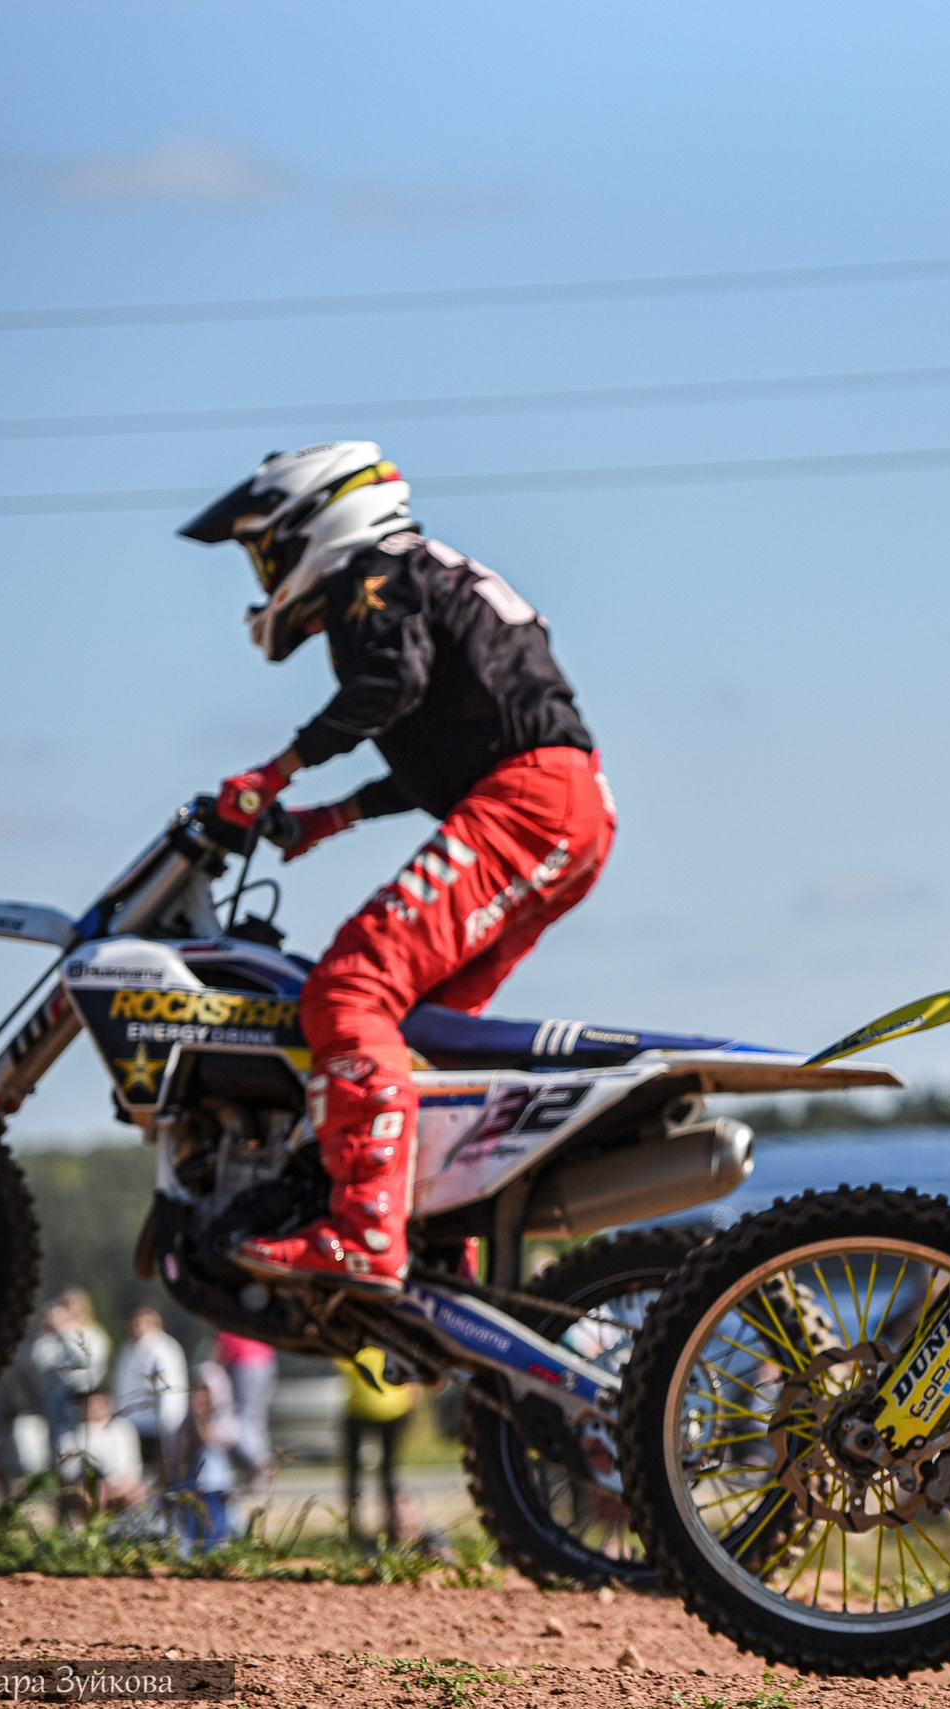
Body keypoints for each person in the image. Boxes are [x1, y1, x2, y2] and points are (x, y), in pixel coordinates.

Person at [182, 442, 612, 1295]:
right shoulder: (422, 575)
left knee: (347, 992)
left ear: (312, 521)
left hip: (526, 803)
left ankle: (365, 1235)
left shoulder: (378, 573)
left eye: (264, 549)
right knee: (421, 1033)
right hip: (564, 802)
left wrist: (278, 769)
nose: (265, 576)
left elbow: (393, 685)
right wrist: (331, 818)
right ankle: (445, 1247)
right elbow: (447, 743)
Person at [338, 1349, 415, 1544]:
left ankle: (359, 1527)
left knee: (358, 1472)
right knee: (386, 1473)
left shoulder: (355, 1342)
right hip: (390, 1410)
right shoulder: (396, 1344)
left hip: (365, 1409)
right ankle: (390, 1529)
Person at [166, 1365, 242, 1549]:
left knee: (211, 1456)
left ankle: (220, 1532)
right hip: (189, 1485)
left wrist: (200, 1422)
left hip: (216, 1486)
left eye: (204, 1394)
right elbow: (175, 1465)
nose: (198, 1399)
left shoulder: (224, 1421)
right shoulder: (182, 1427)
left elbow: (217, 1443)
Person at [111, 1306, 187, 1483]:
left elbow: (168, 1385)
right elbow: (122, 1384)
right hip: (134, 1419)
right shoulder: (128, 1349)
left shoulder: (164, 1348)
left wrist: (168, 1419)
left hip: (157, 1419)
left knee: (159, 1466)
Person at [28, 1289, 112, 1447]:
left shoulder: (94, 1334)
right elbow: (39, 1360)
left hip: (87, 1403)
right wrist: (46, 1331)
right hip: (59, 1403)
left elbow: (86, 1358)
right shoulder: (52, 1338)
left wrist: (66, 1330)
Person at [56, 1388, 145, 1522]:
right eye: (90, 1404)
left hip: (121, 1483)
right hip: (88, 1487)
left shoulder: (123, 1429)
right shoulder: (69, 1435)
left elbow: (133, 1466)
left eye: (99, 1402)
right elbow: (69, 1473)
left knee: (138, 1493)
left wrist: (119, 1485)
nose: (96, 1408)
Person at [215, 1333, 278, 1482]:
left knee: (243, 1418)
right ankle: (262, 1458)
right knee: (256, 1417)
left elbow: (222, 1352)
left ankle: (258, 1461)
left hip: (243, 1364)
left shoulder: (225, 1321)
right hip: (266, 1362)